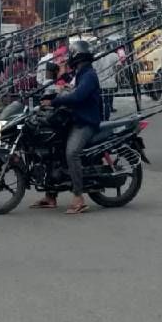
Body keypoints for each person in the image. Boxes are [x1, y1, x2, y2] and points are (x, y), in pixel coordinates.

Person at [31, 41, 101, 215]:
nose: (67, 60)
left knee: (71, 153)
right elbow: (65, 88)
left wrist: (54, 101)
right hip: (72, 119)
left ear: (77, 58)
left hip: (85, 122)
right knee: (53, 149)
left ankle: (79, 197)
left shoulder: (89, 75)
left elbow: (77, 96)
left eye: (70, 57)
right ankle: (50, 196)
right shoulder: (78, 74)